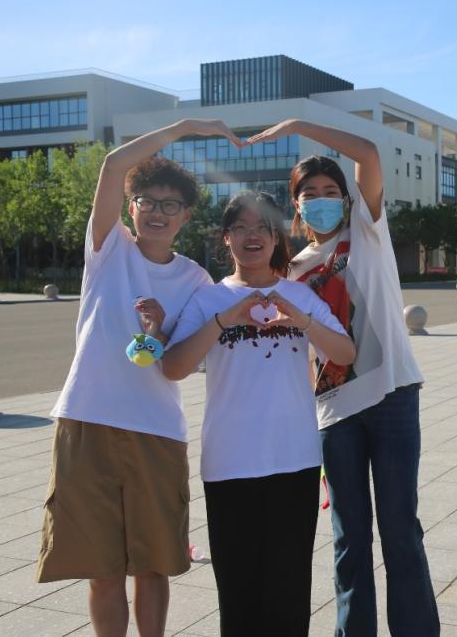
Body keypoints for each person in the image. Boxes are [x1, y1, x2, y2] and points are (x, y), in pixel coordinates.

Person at [243, 119, 441, 636]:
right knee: (349, 539)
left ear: (348, 200)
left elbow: (369, 153)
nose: (322, 200)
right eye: (310, 193)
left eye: (331, 191)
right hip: (334, 413)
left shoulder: (368, 233)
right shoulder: (291, 271)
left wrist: (297, 125)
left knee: (400, 530)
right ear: (297, 206)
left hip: (392, 396)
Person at [37, 120, 231, 636]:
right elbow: (113, 164)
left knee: (153, 564)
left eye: (171, 204)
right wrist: (186, 127)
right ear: (131, 207)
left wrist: (158, 331)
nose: (158, 212)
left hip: (156, 431)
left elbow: (178, 362)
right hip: (87, 420)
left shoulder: (196, 280)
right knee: (101, 568)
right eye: (147, 200)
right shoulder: (108, 248)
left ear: (186, 215)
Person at [161, 192, 354, 636]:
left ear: (277, 237)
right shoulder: (209, 299)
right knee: (238, 594)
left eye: (263, 227)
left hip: (294, 461)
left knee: (289, 593)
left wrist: (301, 320)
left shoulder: (298, 295)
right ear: (227, 237)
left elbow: (345, 352)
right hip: (230, 463)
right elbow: (173, 367)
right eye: (242, 227)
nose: (253, 236)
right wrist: (224, 320)